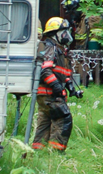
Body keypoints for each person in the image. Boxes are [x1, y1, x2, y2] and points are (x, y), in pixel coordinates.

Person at [32, 16, 77, 151]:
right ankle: (56, 152)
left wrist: (69, 84)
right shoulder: (50, 48)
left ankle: (37, 151)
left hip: (45, 94)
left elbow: (61, 72)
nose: (66, 36)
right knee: (64, 118)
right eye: (64, 32)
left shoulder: (59, 50)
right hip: (49, 94)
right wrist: (56, 87)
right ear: (55, 34)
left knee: (44, 123)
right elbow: (45, 70)